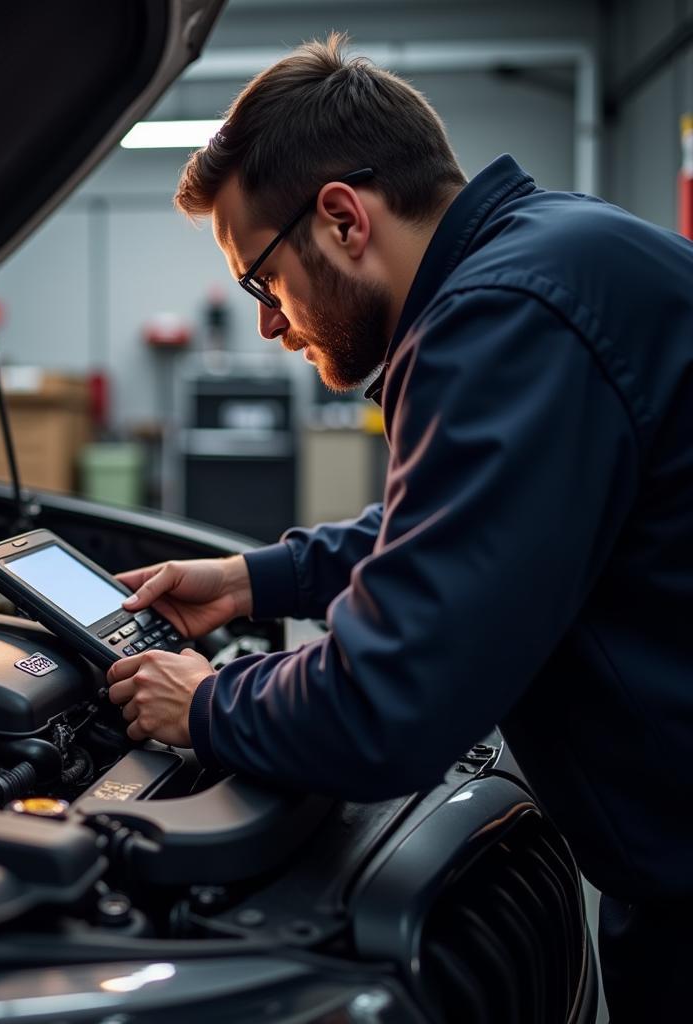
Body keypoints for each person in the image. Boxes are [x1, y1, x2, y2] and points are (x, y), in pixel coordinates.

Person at [105, 33, 692, 1020]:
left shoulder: (498, 318)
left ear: (340, 218)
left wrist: (205, 704)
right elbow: (470, 524)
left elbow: (389, 705)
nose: (270, 324)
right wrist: (256, 579)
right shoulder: (550, 257)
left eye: (262, 280)